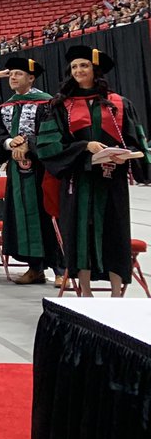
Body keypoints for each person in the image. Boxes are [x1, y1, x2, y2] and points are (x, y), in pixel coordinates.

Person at [37, 46, 148, 296]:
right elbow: (50, 147)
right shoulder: (61, 106)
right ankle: (85, 292)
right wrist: (84, 147)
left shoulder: (118, 103)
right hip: (79, 180)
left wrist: (124, 156)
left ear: (95, 70)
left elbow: (135, 141)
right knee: (80, 234)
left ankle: (117, 292)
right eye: (74, 67)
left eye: (84, 66)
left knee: (115, 231)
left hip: (112, 181)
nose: (78, 71)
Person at [0, 57, 63, 286]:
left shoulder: (47, 104)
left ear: (31, 77)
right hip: (17, 174)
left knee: (49, 216)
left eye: (18, 74)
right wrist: (11, 142)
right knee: (22, 217)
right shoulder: (6, 106)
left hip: (44, 171)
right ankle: (35, 268)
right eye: (11, 73)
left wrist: (28, 144)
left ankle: (62, 269)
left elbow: (55, 135)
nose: (12, 77)